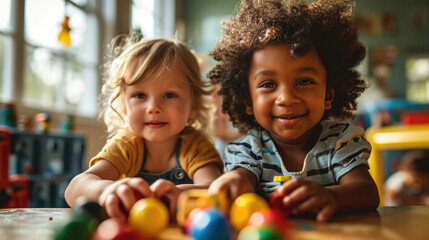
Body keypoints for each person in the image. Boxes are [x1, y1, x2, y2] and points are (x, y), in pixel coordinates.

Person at [207, 0, 380, 222]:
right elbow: (241, 177)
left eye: (304, 81)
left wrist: (331, 197)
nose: (287, 98)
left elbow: (367, 192)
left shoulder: (340, 141)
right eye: (268, 84)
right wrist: (232, 180)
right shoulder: (248, 149)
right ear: (248, 100)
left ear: (328, 95)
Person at [65, 35, 223, 219]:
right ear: (124, 106)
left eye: (169, 95)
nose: (153, 107)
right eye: (140, 95)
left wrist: (181, 194)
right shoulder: (126, 145)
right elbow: (73, 189)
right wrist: (106, 191)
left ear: (193, 104)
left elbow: (216, 189)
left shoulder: (196, 146)